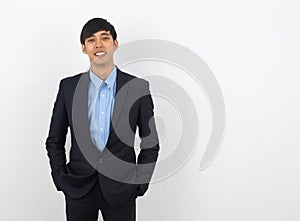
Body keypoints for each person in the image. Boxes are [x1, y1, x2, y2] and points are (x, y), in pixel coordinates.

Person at [45, 17, 160, 221]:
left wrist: (139, 183)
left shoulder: (138, 88)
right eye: (91, 40)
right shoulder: (68, 88)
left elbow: (150, 143)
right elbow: (54, 140)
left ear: (115, 44)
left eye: (104, 38)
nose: (98, 44)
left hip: (122, 189)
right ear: (84, 48)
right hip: (79, 189)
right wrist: (60, 177)